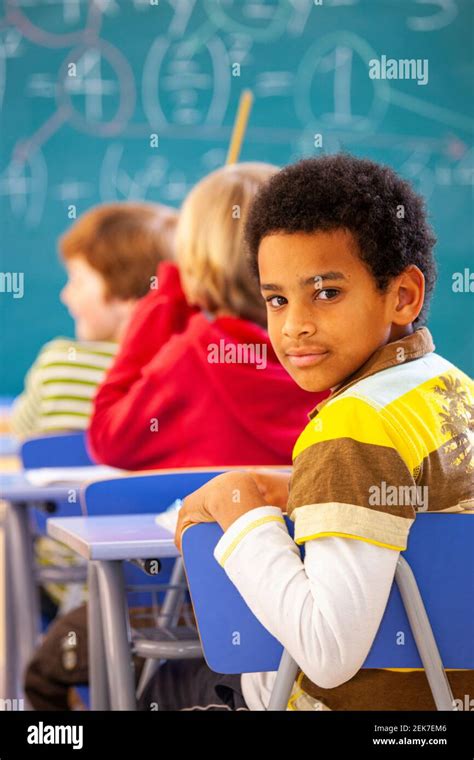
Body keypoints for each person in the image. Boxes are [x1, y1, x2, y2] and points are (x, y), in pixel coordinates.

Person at [140, 154, 473, 711]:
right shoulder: (450, 389)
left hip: (355, 705)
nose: (294, 324)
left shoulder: (350, 424)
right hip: (445, 700)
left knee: (161, 674)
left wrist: (239, 504)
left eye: (326, 292)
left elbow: (327, 651)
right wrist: (297, 489)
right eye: (276, 299)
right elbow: (415, 509)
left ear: (403, 296)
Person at [25, 163, 326, 710]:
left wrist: (164, 297)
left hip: (175, 623)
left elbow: (109, 437)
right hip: (294, 635)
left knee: (50, 670)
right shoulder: (326, 361)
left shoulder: (193, 353)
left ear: (195, 262)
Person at [11, 202, 177, 437]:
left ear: (125, 296)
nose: (65, 295)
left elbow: (22, 434)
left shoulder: (57, 363)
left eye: (77, 280)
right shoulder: (179, 368)